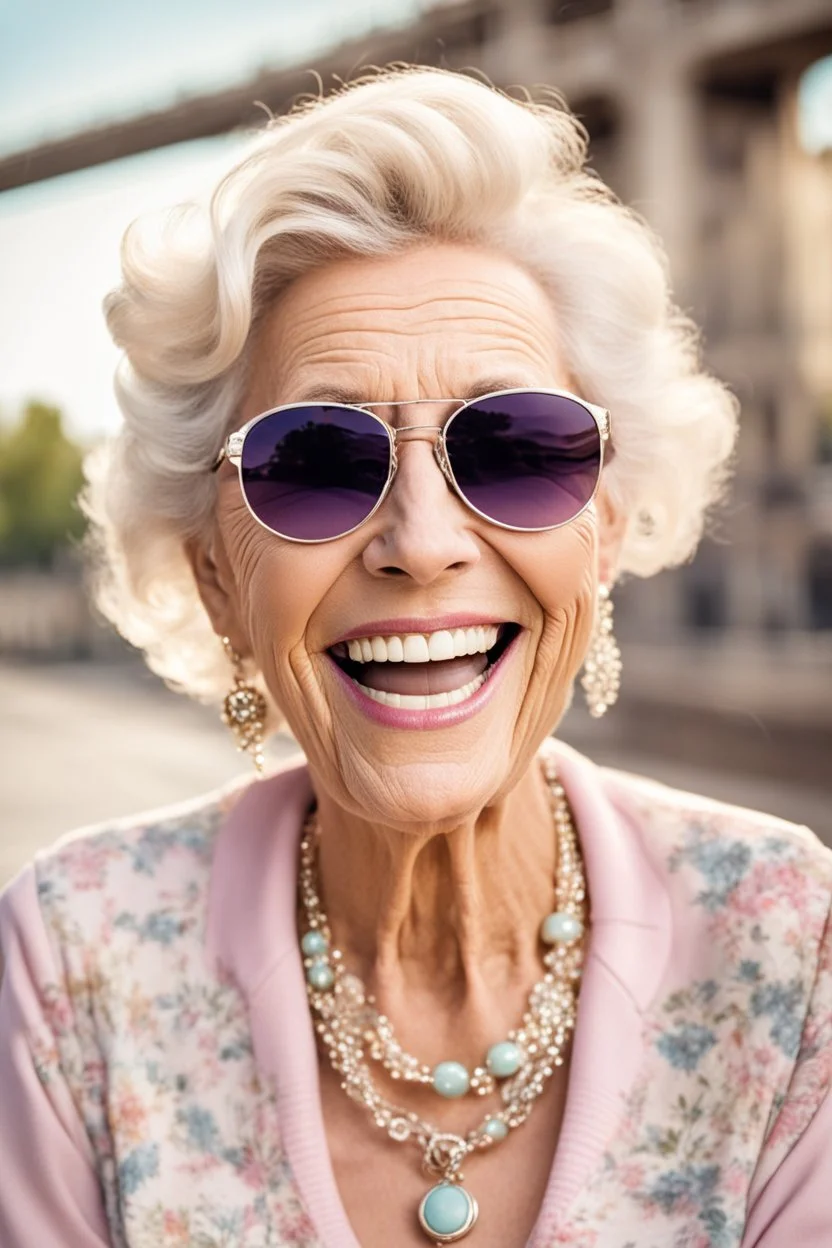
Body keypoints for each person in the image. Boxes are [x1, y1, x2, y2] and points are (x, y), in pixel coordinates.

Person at [0, 66, 829, 1248]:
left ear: (603, 532)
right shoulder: (67, 971)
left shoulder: (791, 950)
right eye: (315, 462)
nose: (423, 543)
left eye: (516, 446)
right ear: (217, 578)